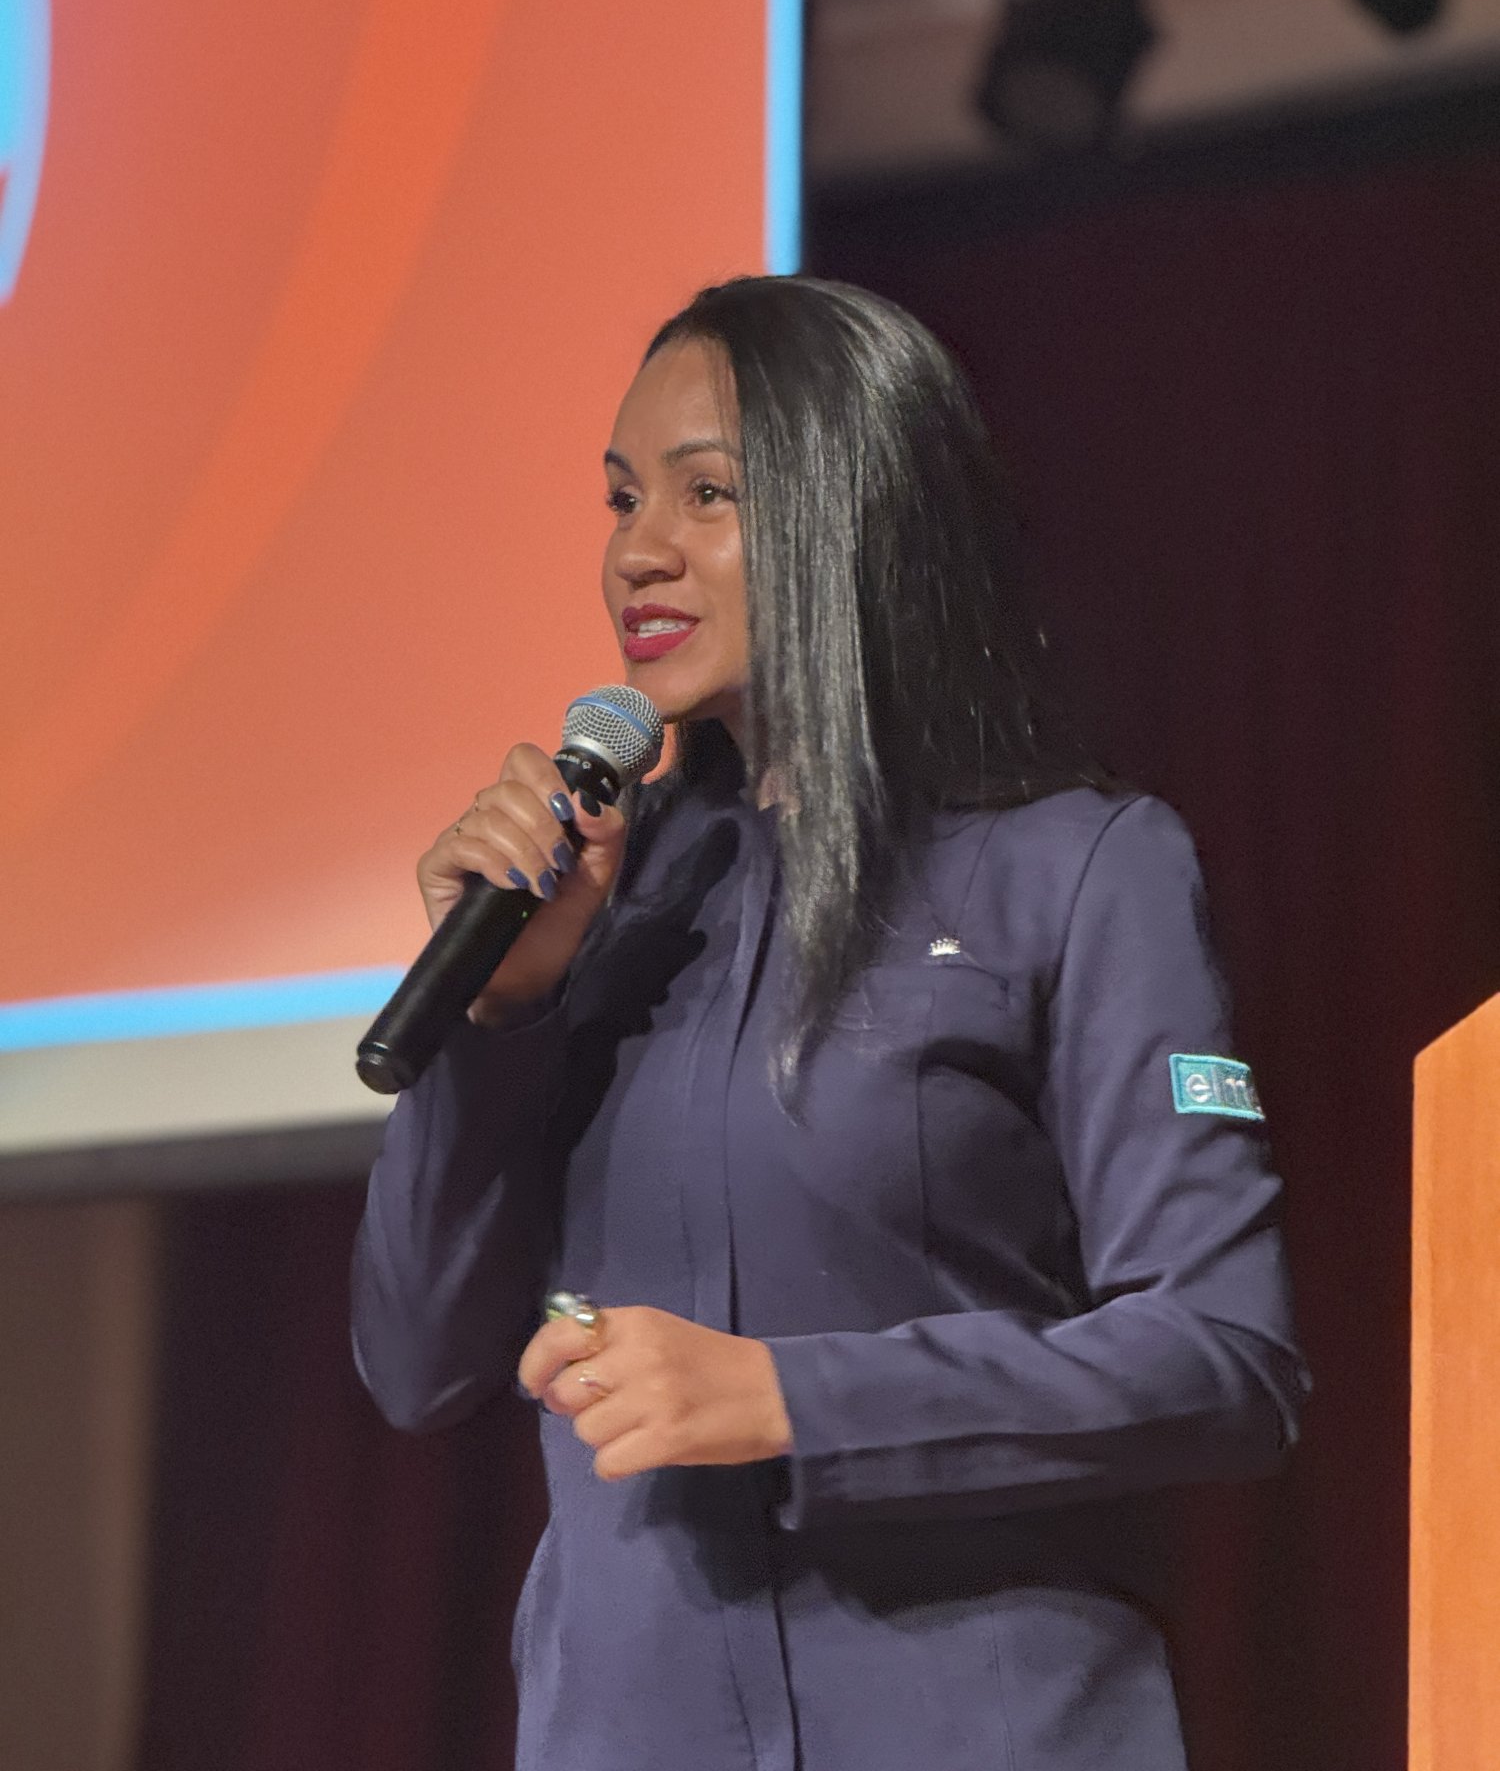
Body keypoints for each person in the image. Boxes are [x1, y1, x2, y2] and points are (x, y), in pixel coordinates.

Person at [352, 275, 1309, 1771]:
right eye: (621, 500)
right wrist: (505, 1005)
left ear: (855, 510)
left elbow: (1222, 1358)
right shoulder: (600, 903)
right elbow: (418, 1366)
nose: (637, 551)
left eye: (707, 494)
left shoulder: (1075, 869)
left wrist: (789, 1396)